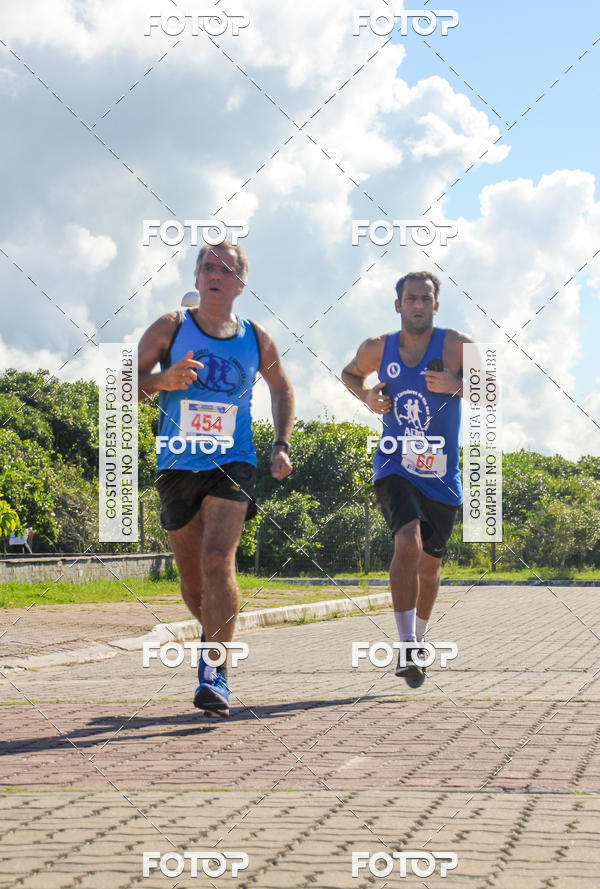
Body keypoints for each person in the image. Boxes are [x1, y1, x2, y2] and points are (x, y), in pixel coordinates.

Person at [137, 240, 294, 716]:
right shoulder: (171, 327)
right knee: (192, 585)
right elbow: (123, 383)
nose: (215, 274)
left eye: (225, 269)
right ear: (196, 277)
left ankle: (215, 673)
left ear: (240, 284)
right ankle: (214, 634)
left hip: (235, 461)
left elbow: (282, 388)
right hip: (178, 462)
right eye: (207, 266)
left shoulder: (256, 338)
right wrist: (162, 382)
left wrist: (280, 444)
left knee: (217, 560)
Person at [342, 271, 474, 687]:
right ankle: (405, 648)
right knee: (407, 543)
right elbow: (349, 375)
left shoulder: (457, 345)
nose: (418, 305)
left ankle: (418, 639)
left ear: (437, 305)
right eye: (410, 298)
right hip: (395, 464)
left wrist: (458, 384)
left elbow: (493, 389)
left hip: (441, 474)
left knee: (430, 567)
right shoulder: (377, 348)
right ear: (397, 305)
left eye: (426, 299)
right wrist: (366, 396)